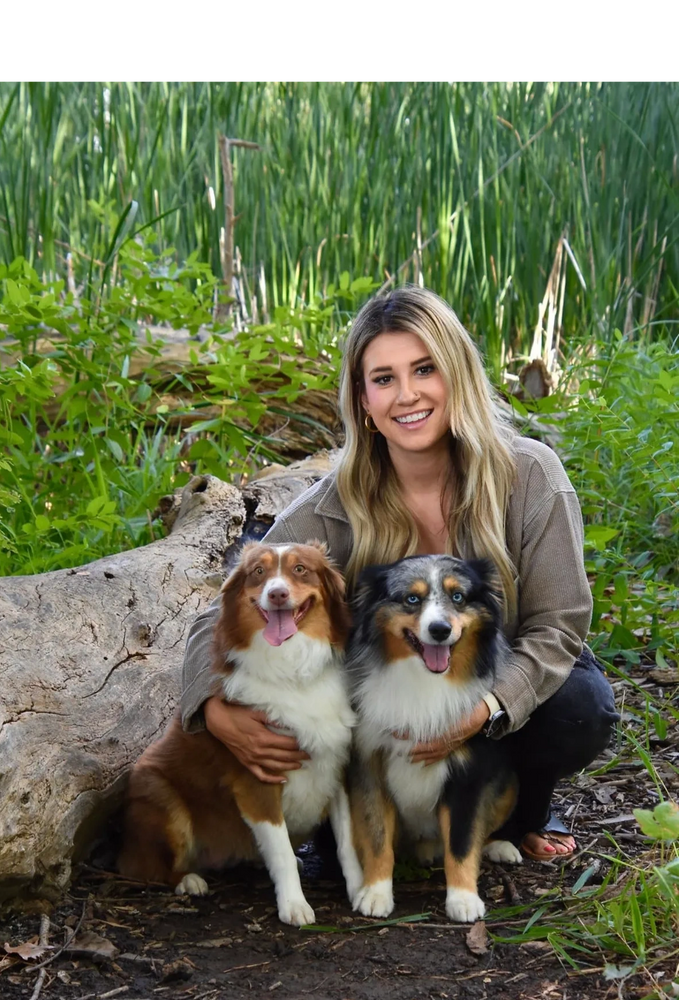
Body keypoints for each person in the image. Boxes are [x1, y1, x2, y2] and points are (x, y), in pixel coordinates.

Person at [180, 286, 619, 862]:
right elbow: (220, 617)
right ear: (362, 399)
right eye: (383, 378)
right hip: (387, 701)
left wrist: (485, 709)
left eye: (424, 369)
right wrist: (212, 710)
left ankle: (517, 811)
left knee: (579, 708)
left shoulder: (529, 474)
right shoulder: (333, 504)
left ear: (456, 374)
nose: (407, 394)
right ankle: (369, 821)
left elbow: (559, 625)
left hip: (495, 676)